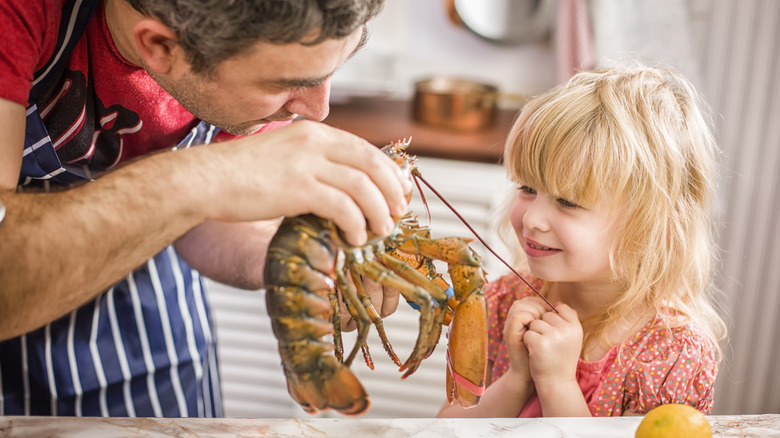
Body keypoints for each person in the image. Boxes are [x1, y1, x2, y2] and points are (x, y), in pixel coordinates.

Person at [0, 0, 410, 417]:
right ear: (160, 46)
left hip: (151, 326)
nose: (318, 111)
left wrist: (298, 265)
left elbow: (207, 224)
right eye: (286, 83)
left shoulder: (254, 40)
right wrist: (204, 176)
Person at [438, 63, 727, 418]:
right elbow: (448, 426)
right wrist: (517, 379)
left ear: (651, 226)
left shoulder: (670, 355)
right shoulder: (501, 304)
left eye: (567, 201)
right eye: (528, 189)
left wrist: (557, 383)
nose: (531, 219)